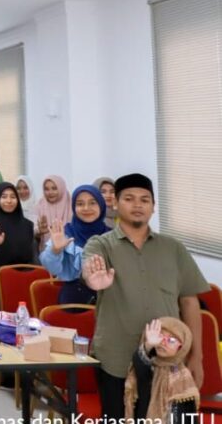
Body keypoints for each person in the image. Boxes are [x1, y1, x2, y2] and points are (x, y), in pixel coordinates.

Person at [81, 173, 208, 420]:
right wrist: (93, 278)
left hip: (166, 360)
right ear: (115, 203)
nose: (138, 205)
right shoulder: (100, 245)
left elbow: (189, 302)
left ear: (153, 206)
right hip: (116, 358)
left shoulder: (173, 248)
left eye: (145, 199)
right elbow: (89, 266)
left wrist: (197, 357)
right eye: (129, 198)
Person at [38, 184, 109, 304]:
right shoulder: (66, 233)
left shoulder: (111, 236)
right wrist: (55, 250)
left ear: (101, 206)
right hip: (74, 300)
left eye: (92, 203)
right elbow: (52, 268)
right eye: (80, 204)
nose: (86, 208)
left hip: (108, 300)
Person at [125, 318, 199, 421]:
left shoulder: (183, 376)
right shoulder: (150, 366)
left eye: (171, 340)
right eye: (160, 336)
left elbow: (187, 414)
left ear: (181, 347)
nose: (163, 343)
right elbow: (140, 365)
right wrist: (148, 345)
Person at [0, 182, 36, 312]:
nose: (9, 201)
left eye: (13, 196)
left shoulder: (27, 225)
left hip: (24, 280)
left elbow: (31, 255)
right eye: (4, 197)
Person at [36, 175, 72, 244]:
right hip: (46, 249)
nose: (50, 192)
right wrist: (39, 231)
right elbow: (32, 230)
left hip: (69, 248)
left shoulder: (71, 204)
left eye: (54, 188)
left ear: (61, 188)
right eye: (46, 189)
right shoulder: (40, 205)